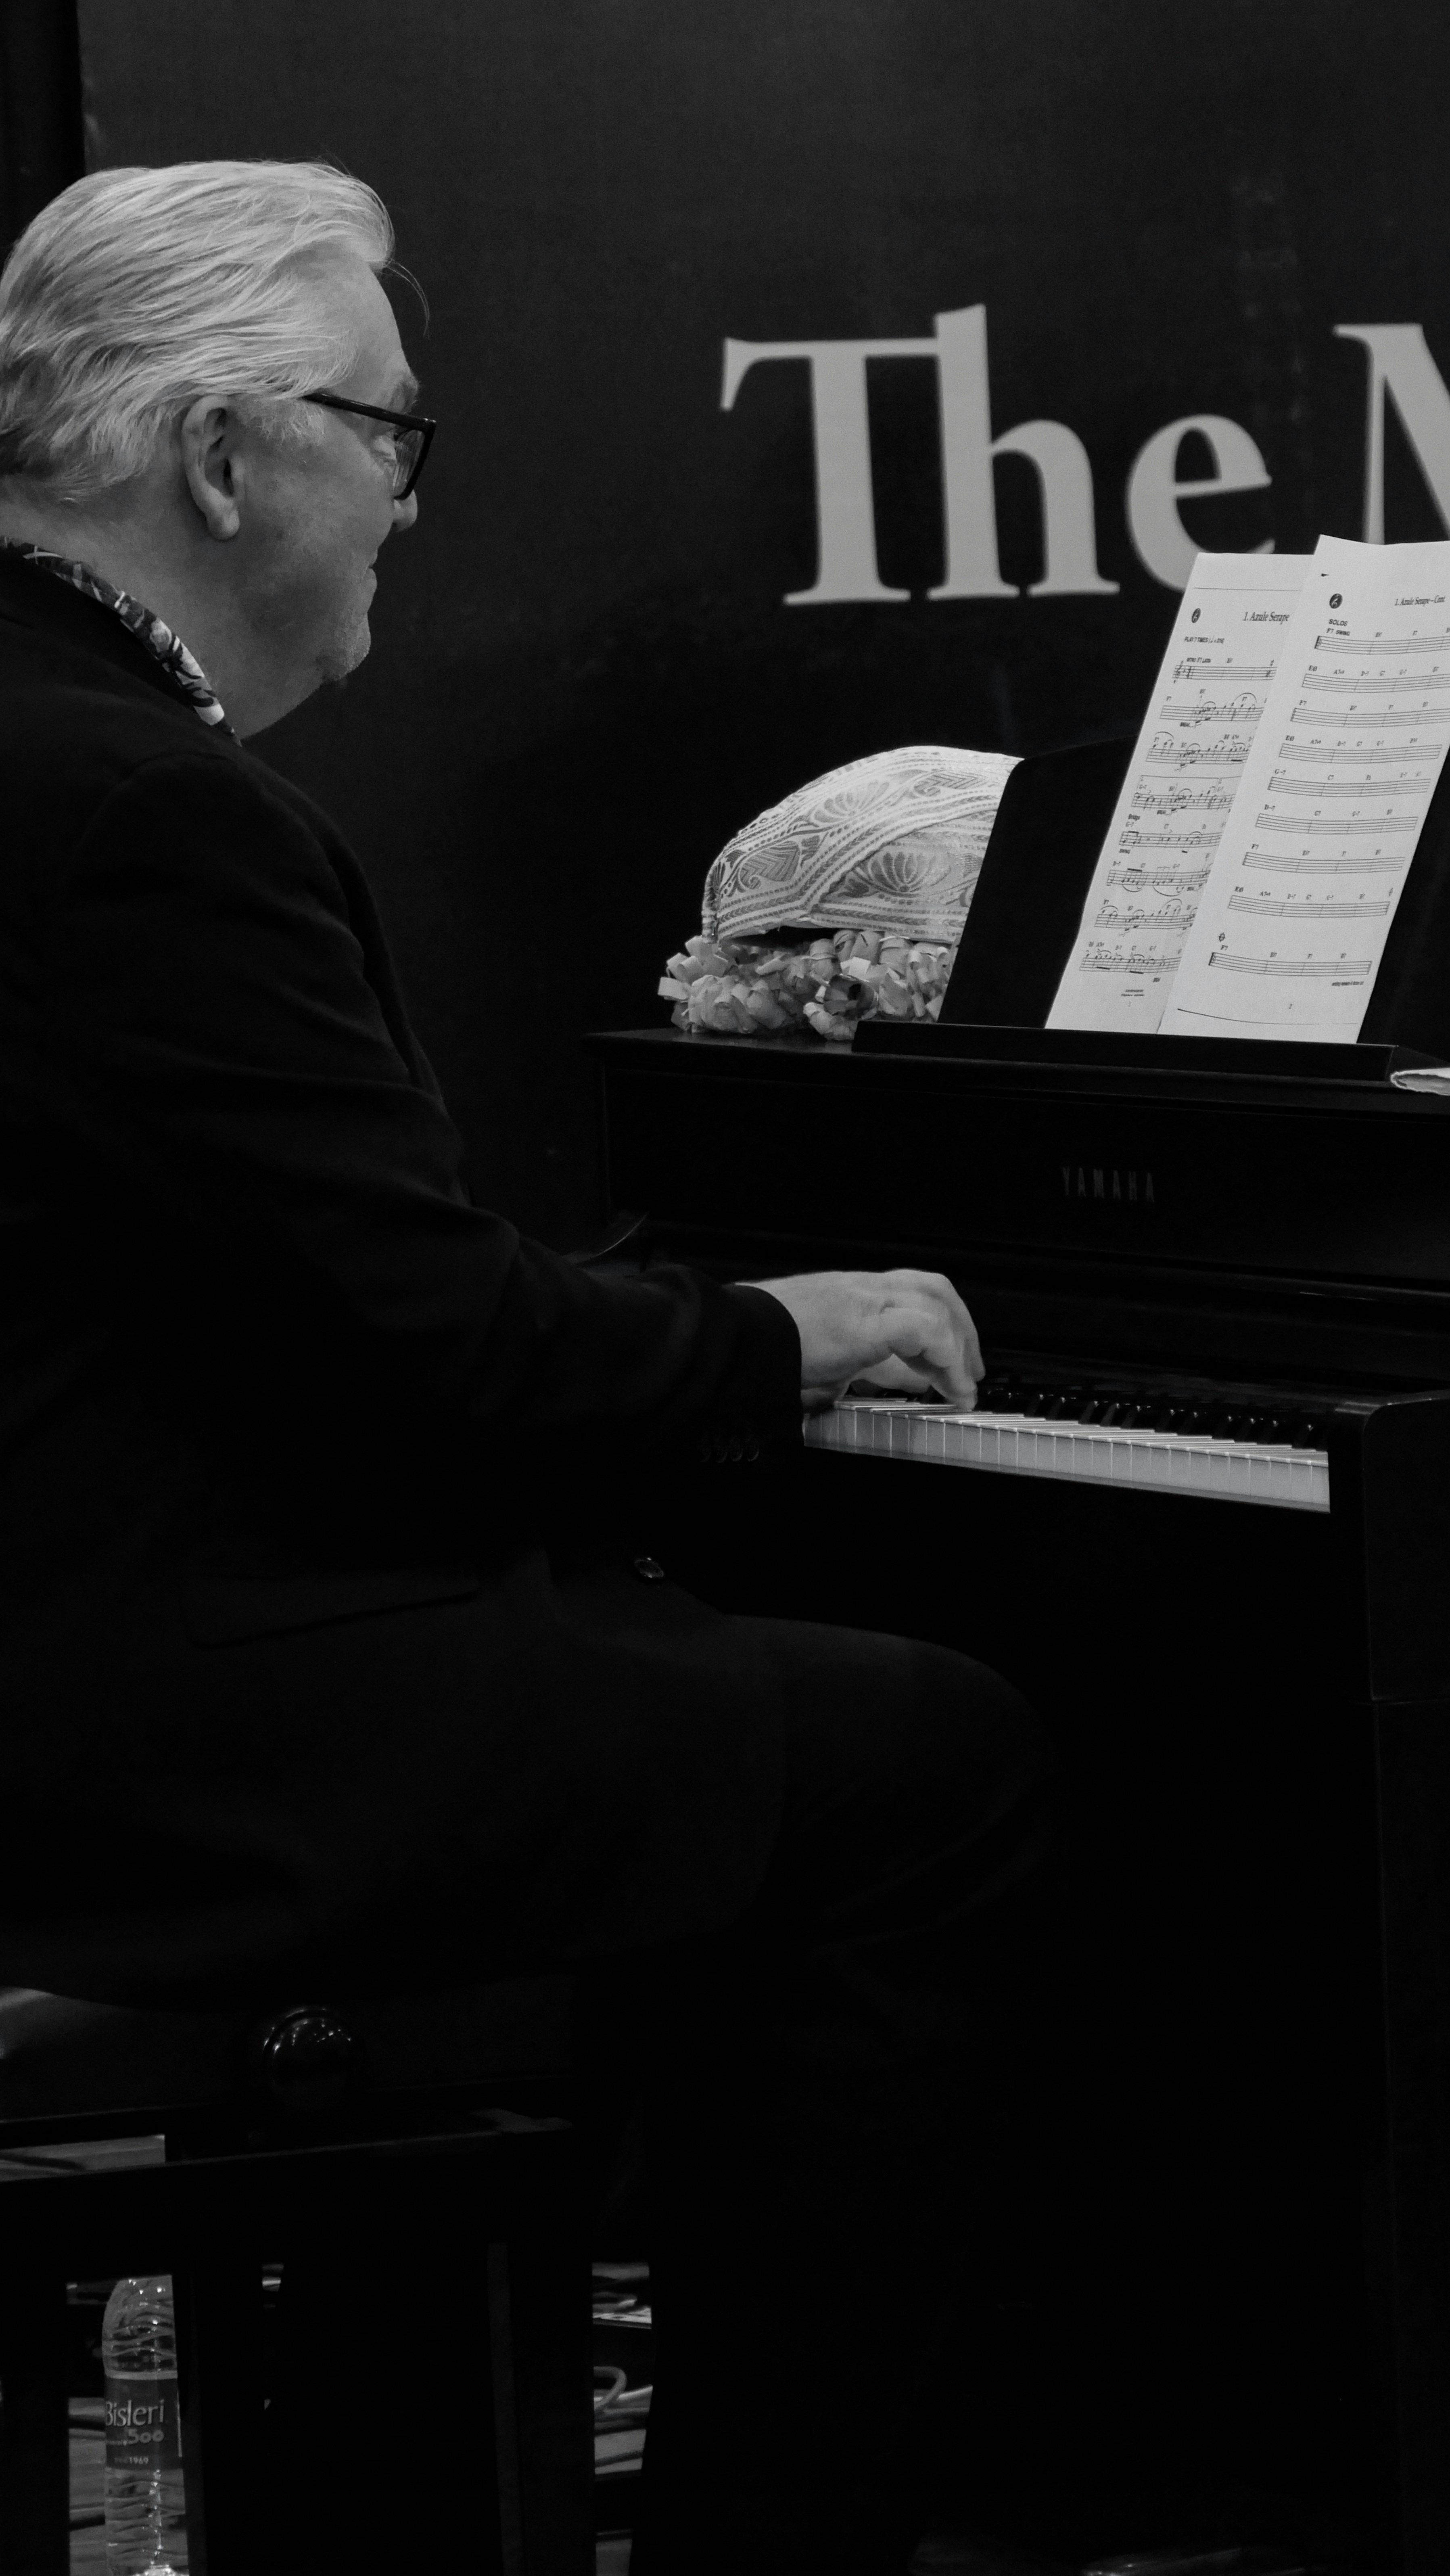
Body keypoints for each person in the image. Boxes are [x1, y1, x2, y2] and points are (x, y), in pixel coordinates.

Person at [0, 161, 1052, 2572]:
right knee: (927, 1764)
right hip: (150, 1729)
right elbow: (427, 1346)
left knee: (694, 1720)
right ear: (226, 453)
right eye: (392, 431)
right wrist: (764, 1337)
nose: (405, 497)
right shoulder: (138, 806)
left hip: (74, 1640)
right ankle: (798, 2530)